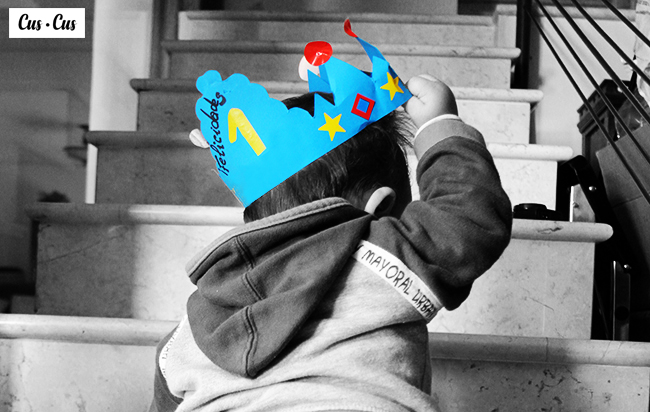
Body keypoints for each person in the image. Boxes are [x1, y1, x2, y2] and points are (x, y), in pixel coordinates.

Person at [149, 74, 512, 412]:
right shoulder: (380, 254)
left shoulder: (194, 327)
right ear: (381, 208)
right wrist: (439, 125)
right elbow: (468, 216)